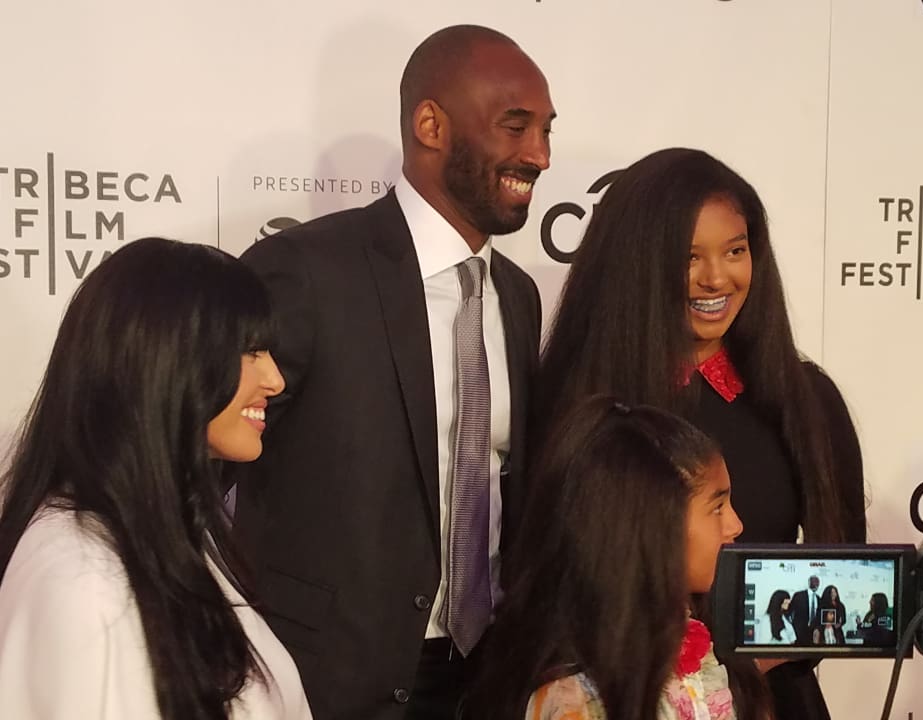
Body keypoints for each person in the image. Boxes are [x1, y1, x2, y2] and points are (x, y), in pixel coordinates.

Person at [229, 24, 554, 720]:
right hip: (324, 681)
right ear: (430, 125)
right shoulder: (309, 272)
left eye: (547, 131)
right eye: (515, 126)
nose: (540, 155)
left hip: (484, 678)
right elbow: (201, 466)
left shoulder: (519, 297)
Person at [535, 148, 866, 720]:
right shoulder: (578, 402)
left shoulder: (805, 399)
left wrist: (733, 674)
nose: (718, 278)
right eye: (690, 257)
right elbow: (547, 592)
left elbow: (847, 586)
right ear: (639, 262)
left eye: (736, 251)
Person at [0, 237, 310, 719]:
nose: (275, 379)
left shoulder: (162, 533)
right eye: (251, 350)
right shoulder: (82, 582)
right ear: (168, 361)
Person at [467, 396, 768, 720]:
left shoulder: (697, 642)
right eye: (717, 507)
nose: (735, 525)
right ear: (649, 524)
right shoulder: (574, 699)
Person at [789, 575, 822, 645]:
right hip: (798, 632)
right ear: (809, 582)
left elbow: (819, 616)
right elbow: (789, 611)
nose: (816, 584)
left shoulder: (819, 599)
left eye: (817, 582)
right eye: (814, 581)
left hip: (812, 634)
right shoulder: (799, 595)